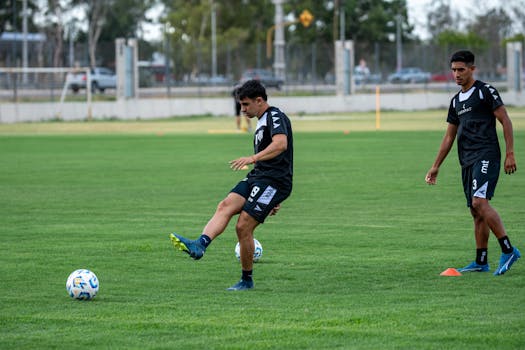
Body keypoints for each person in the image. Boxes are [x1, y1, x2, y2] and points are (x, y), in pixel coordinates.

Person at [170, 79, 293, 290]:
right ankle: (200, 244)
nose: (242, 109)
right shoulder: (262, 120)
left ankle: (246, 281)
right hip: (259, 178)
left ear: (259, 100)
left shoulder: (274, 115)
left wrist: (253, 159)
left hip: (273, 182)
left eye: (246, 105)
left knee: (243, 226)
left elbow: (281, 144)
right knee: (226, 205)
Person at [425, 50, 520, 275]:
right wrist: (436, 165)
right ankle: (481, 261)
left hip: (486, 154)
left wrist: (510, 153)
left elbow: (504, 119)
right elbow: (449, 136)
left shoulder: (485, 91)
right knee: (475, 211)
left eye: (461, 70)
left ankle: (508, 250)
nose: (456, 74)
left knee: (480, 202)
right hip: (466, 160)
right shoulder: (456, 101)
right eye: (454, 70)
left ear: (472, 69)